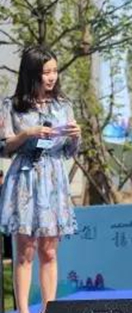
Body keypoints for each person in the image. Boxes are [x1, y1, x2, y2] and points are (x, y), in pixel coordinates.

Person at [0, 46, 80, 313]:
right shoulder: (12, 106)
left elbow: (69, 151)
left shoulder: (63, 105)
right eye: (46, 72)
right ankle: (23, 310)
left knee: (49, 251)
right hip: (25, 178)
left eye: (55, 71)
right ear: (31, 73)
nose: (52, 77)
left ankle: (48, 308)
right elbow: (4, 147)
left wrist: (75, 136)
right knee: (25, 251)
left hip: (54, 179)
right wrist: (28, 133)